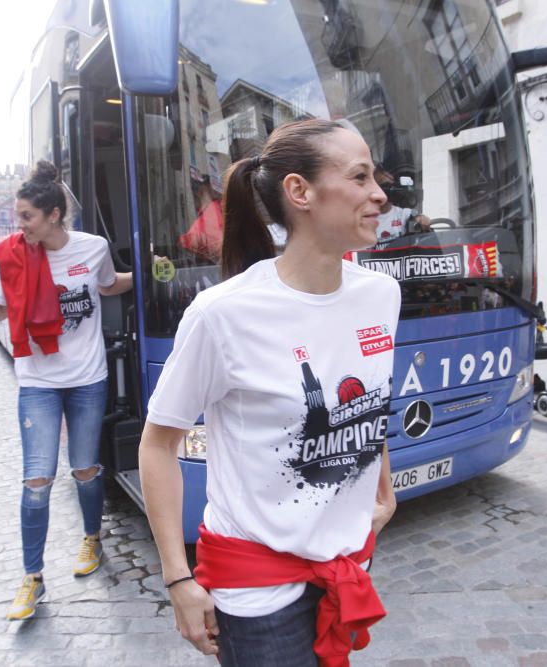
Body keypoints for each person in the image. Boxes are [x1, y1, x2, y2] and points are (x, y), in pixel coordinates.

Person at [138, 119, 399, 666]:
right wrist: (178, 580)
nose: (379, 193)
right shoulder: (223, 314)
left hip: (349, 563)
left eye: (374, 176)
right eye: (359, 176)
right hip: (257, 591)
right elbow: (158, 444)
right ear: (299, 192)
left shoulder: (381, 296)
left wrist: (384, 488)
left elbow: (370, 404)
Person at [0, 161, 133, 620]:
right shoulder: (13, 255)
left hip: (88, 379)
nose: (21, 226)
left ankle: (91, 538)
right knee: (36, 481)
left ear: (53, 214)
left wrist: (157, 276)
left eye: (27, 217)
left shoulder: (93, 249)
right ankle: (32, 578)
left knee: (86, 469)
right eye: (18, 217)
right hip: (38, 382)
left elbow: (109, 286)